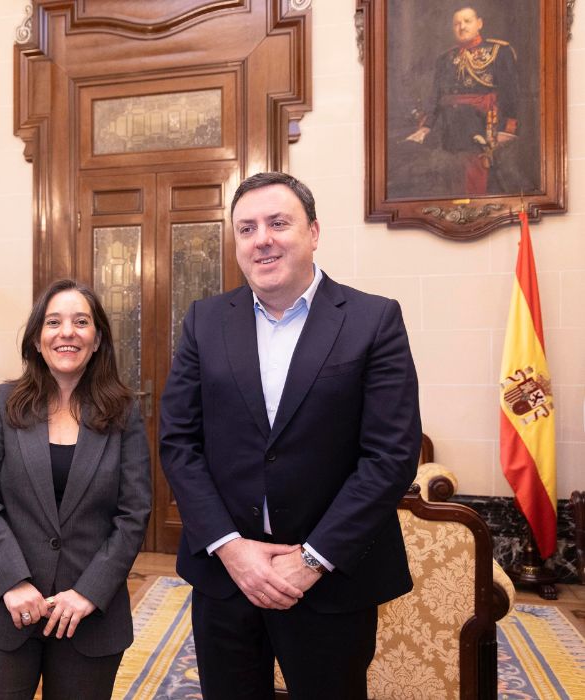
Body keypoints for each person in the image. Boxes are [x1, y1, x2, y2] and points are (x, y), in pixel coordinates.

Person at [159, 172, 422, 699]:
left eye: (279, 223)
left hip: (331, 580)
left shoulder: (373, 320)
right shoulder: (204, 321)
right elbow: (178, 442)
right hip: (227, 578)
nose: (263, 239)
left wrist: (310, 562)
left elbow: (390, 457)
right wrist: (231, 550)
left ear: (314, 232)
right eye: (247, 228)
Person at [0, 279, 152, 700]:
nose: (67, 332)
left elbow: (133, 512)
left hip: (89, 619)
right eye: (54, 322)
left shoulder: (124, 412)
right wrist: (12, 581)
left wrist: (89, 592)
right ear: (37, 338)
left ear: (97, 338)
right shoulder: (1, 403)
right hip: (2, 609)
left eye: (81, 322)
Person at [404, 6, 520, 195]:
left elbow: (510, 94)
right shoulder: (445, 59)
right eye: (457, 23)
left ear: (479, 24)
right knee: (452, 182)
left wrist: (507, 130)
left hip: (483, 127)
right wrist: (426, 127)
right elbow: (436, 97)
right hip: (449, 131)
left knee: (480, 180)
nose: (462, 27)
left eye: (467, 21)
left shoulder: (499, 51)